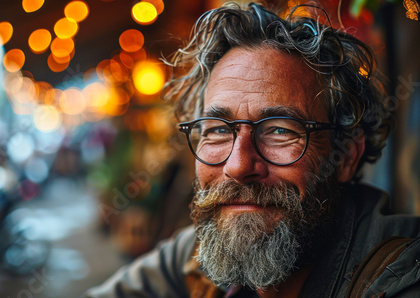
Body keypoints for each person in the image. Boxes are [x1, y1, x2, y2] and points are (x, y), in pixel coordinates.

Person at [84, 2, 420, 297]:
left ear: (346, 154)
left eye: (279, 130)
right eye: (217, 130)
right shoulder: (198, 254)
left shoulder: (399, 275)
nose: (239, 165)